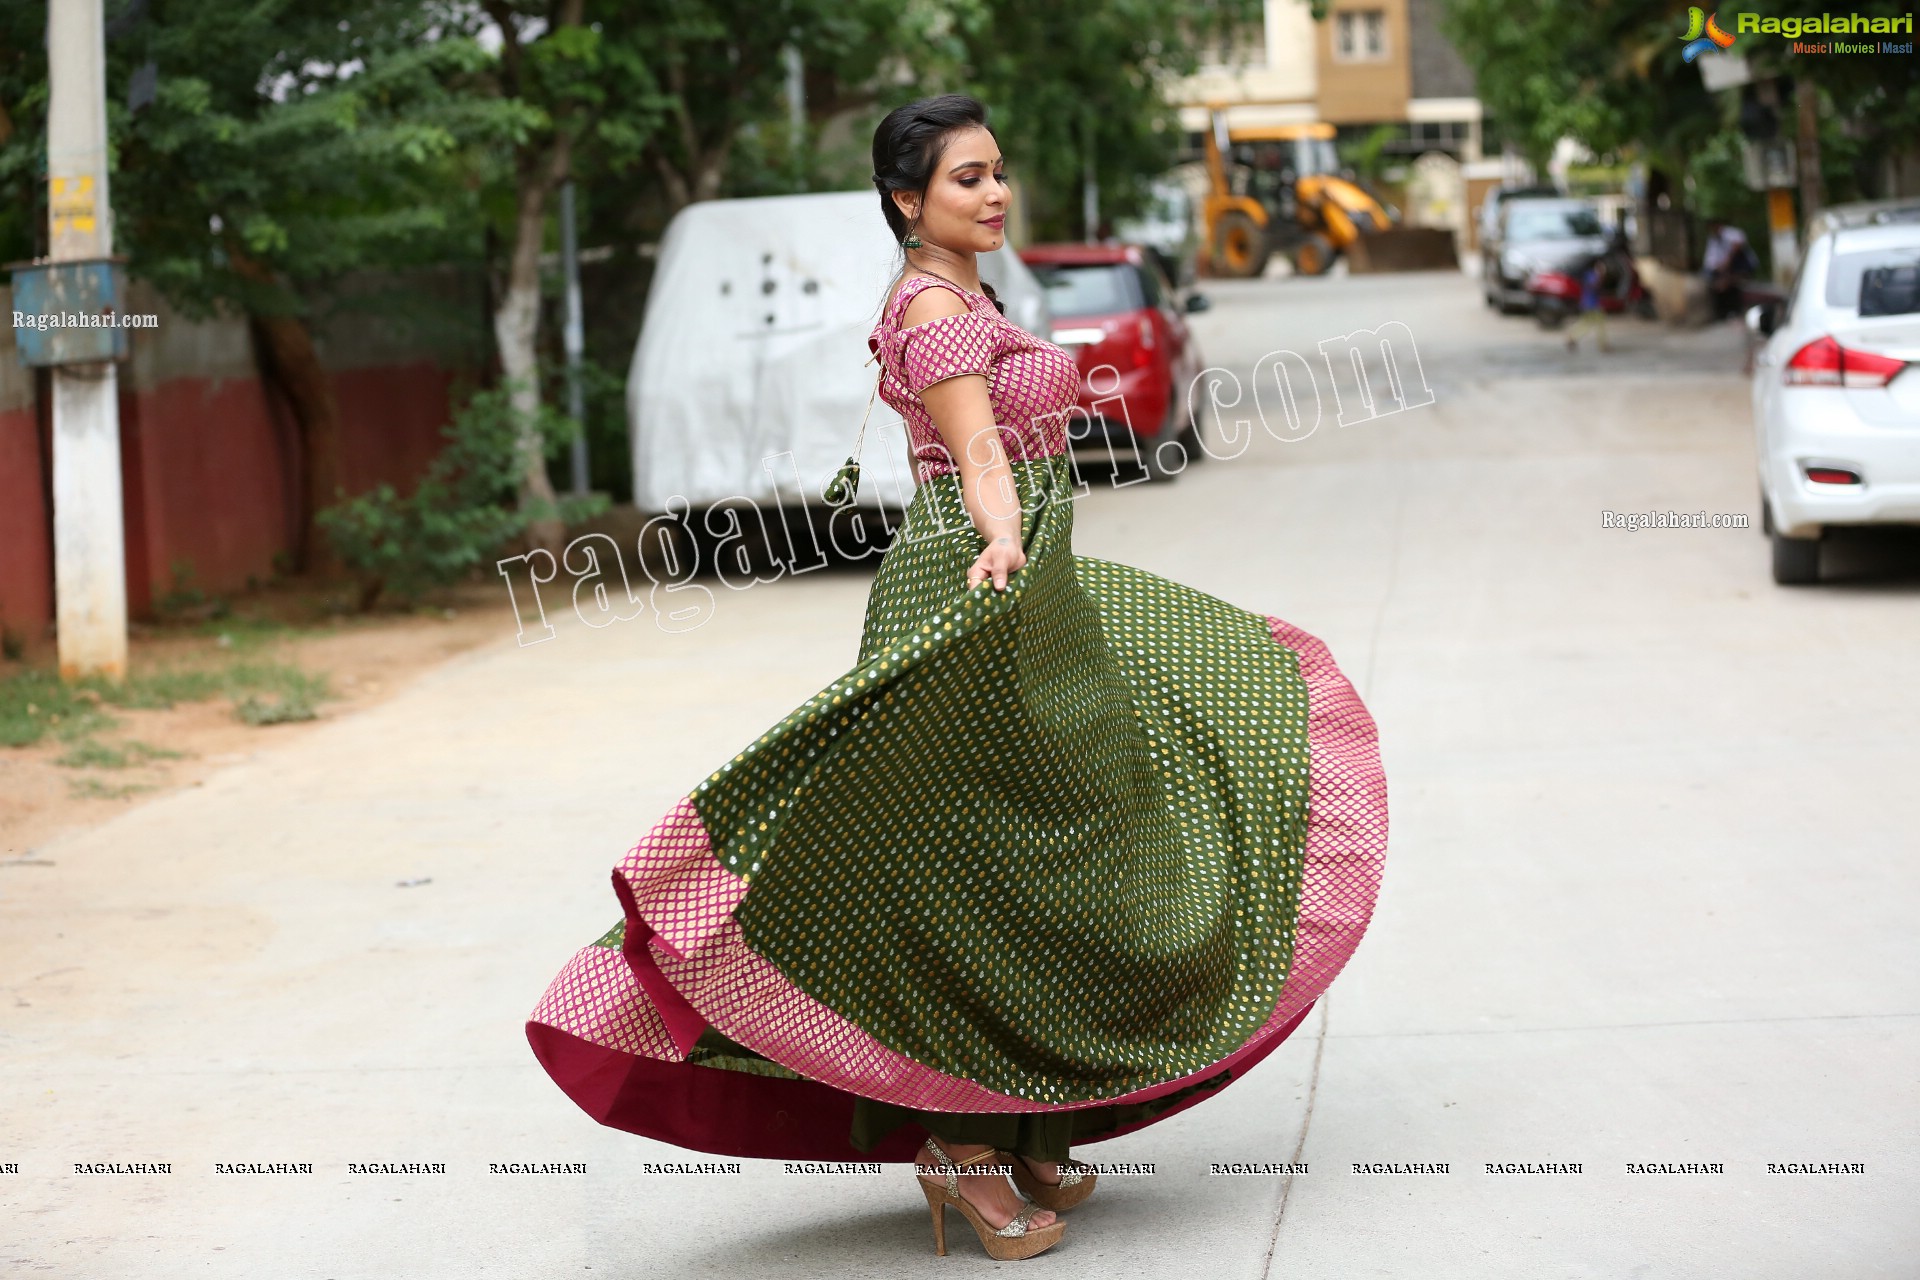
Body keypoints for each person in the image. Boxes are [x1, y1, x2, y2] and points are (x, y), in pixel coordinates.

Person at [524, 94, 1388, 1262]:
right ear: (906, 200)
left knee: (1067, 834)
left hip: (1034, 588)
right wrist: (1001, 536)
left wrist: (1025, 547)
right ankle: (960, 1148)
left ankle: (1029, 1117)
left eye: (996, 172)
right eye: (966, 180)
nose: (994, 194)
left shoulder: (973, 291)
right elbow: (979, 450)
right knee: (970, 866)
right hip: (976, 585)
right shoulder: (933, 309)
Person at [1703, 218, 1757, 321]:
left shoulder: (1732, 233)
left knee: (1729, 285)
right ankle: (1724, 312)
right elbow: (1710, 260)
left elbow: (1738, 246)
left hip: (1741, 267)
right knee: (1717, 285)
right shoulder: (1713, 240)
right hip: (1725, 271)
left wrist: (1727, 262)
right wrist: (1718, 268)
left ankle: (1735, 310)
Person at [1565, 254, 1612, 354]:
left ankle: (1573, 337)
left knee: (1589, 323)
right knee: (1598, 324)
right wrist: (1601, 276)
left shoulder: (1590, 274)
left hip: (1590, 302)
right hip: (1591, 303)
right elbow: (1593, 286)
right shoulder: (1591, 274)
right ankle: (1602, 344)